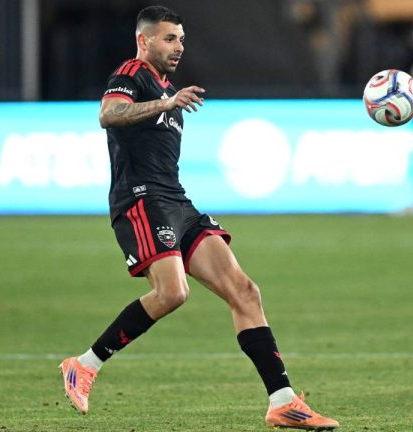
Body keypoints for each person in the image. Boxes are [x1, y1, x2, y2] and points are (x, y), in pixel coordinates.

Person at [59, 6, 339, 431]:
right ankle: (84, 365)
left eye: (182, 40)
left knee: (245, 291)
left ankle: (283, 402)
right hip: (141, 201)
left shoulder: (169, 89)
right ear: (144, 40)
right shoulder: (131, 75)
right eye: (169, 38)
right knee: (172, 293)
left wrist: (169, 99)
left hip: (176, 201)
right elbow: (108, 114)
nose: (179, 47)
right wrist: (166, 103)